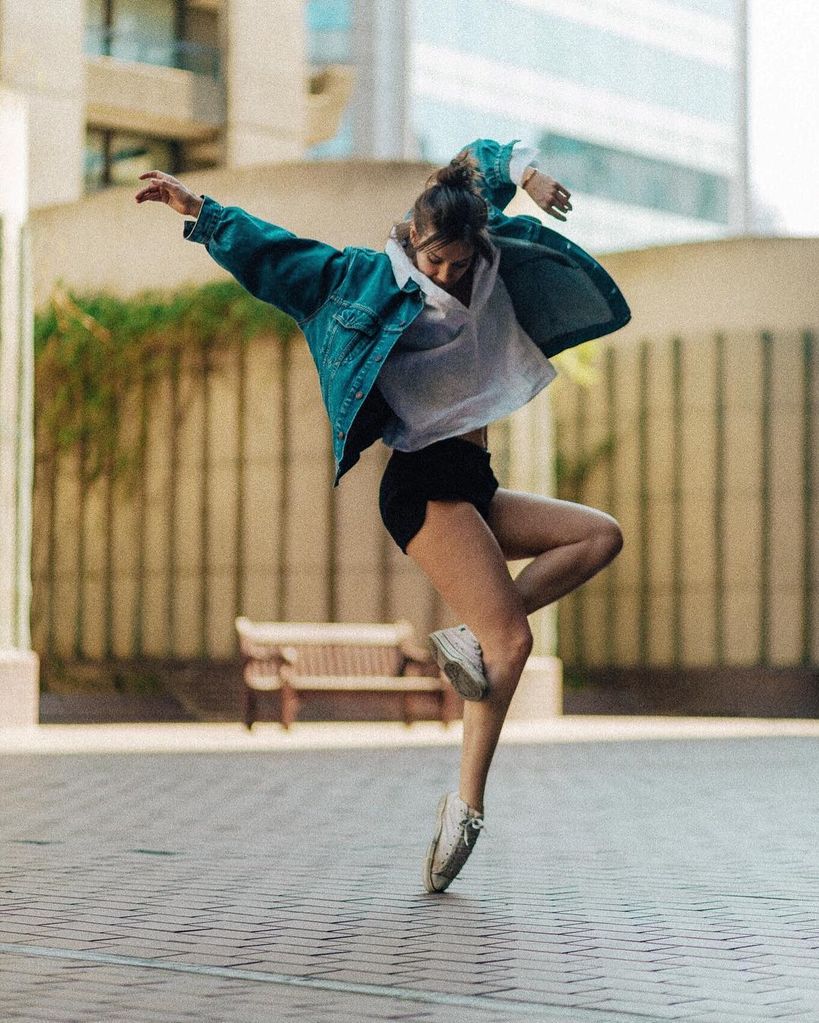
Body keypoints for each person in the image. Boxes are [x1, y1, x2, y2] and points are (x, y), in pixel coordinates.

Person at [136, 138, 630, 894]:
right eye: (434, 260)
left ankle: (466, 637)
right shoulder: (364, 280)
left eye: (457, 262)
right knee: (512, 639)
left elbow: (481, 160)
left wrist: (525, 174)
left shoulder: (483, 249)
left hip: (473, 481)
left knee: (598, 534)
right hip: (422, 484)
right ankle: (465, 810)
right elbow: (275, 257)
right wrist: (199, 211)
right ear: (410, 237)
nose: (445, 273)